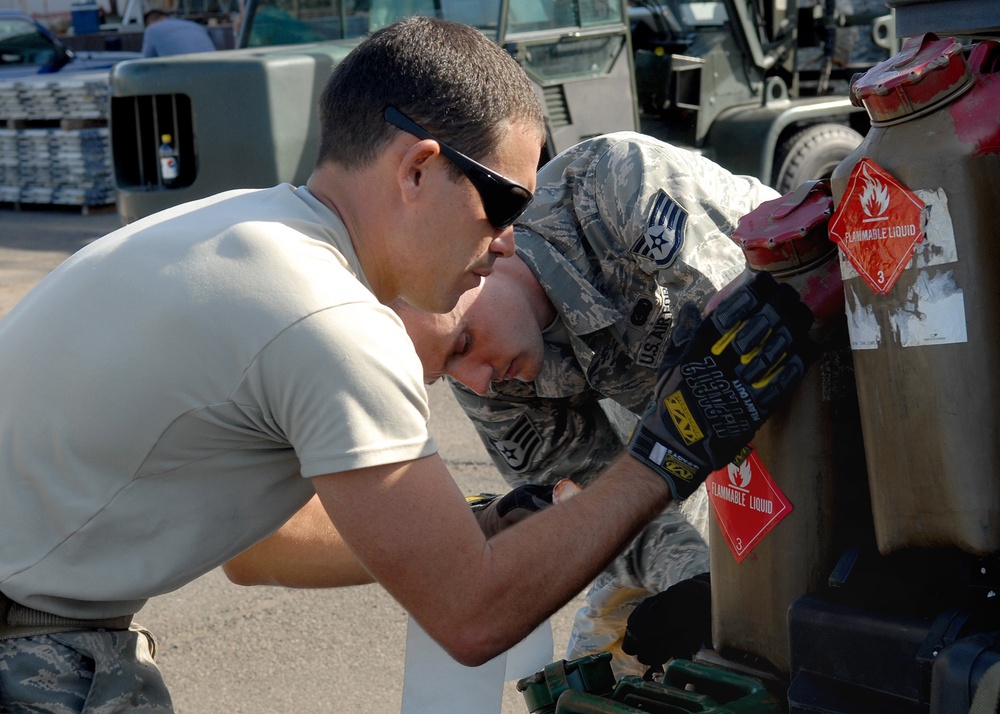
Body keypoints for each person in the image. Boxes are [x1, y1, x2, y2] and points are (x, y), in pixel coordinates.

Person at [0, 17, 812, 713]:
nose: (507, 243)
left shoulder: (240, 233)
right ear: (417, 169)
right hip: (32, 648)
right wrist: (666, 456)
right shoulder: (330, 318)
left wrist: (479, 525)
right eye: (504, 204)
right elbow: (472, 617)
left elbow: (262, 547)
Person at [226, 132, 792, 678]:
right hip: (698, 440)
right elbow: (596, 504)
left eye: (464, 345)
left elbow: (760, 336)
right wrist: (695, 587)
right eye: (445, 374)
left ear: (487, 255)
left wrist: (743, 603)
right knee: (602, 661)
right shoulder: (486, 374)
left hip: (826, 369)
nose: (476, 383)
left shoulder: (616, 187)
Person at [141, 9, 217, 57]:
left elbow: (146, 64)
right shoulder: (197, 26)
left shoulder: (152, 29)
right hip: (214, 71)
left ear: (151, 22)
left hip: (185, 75)